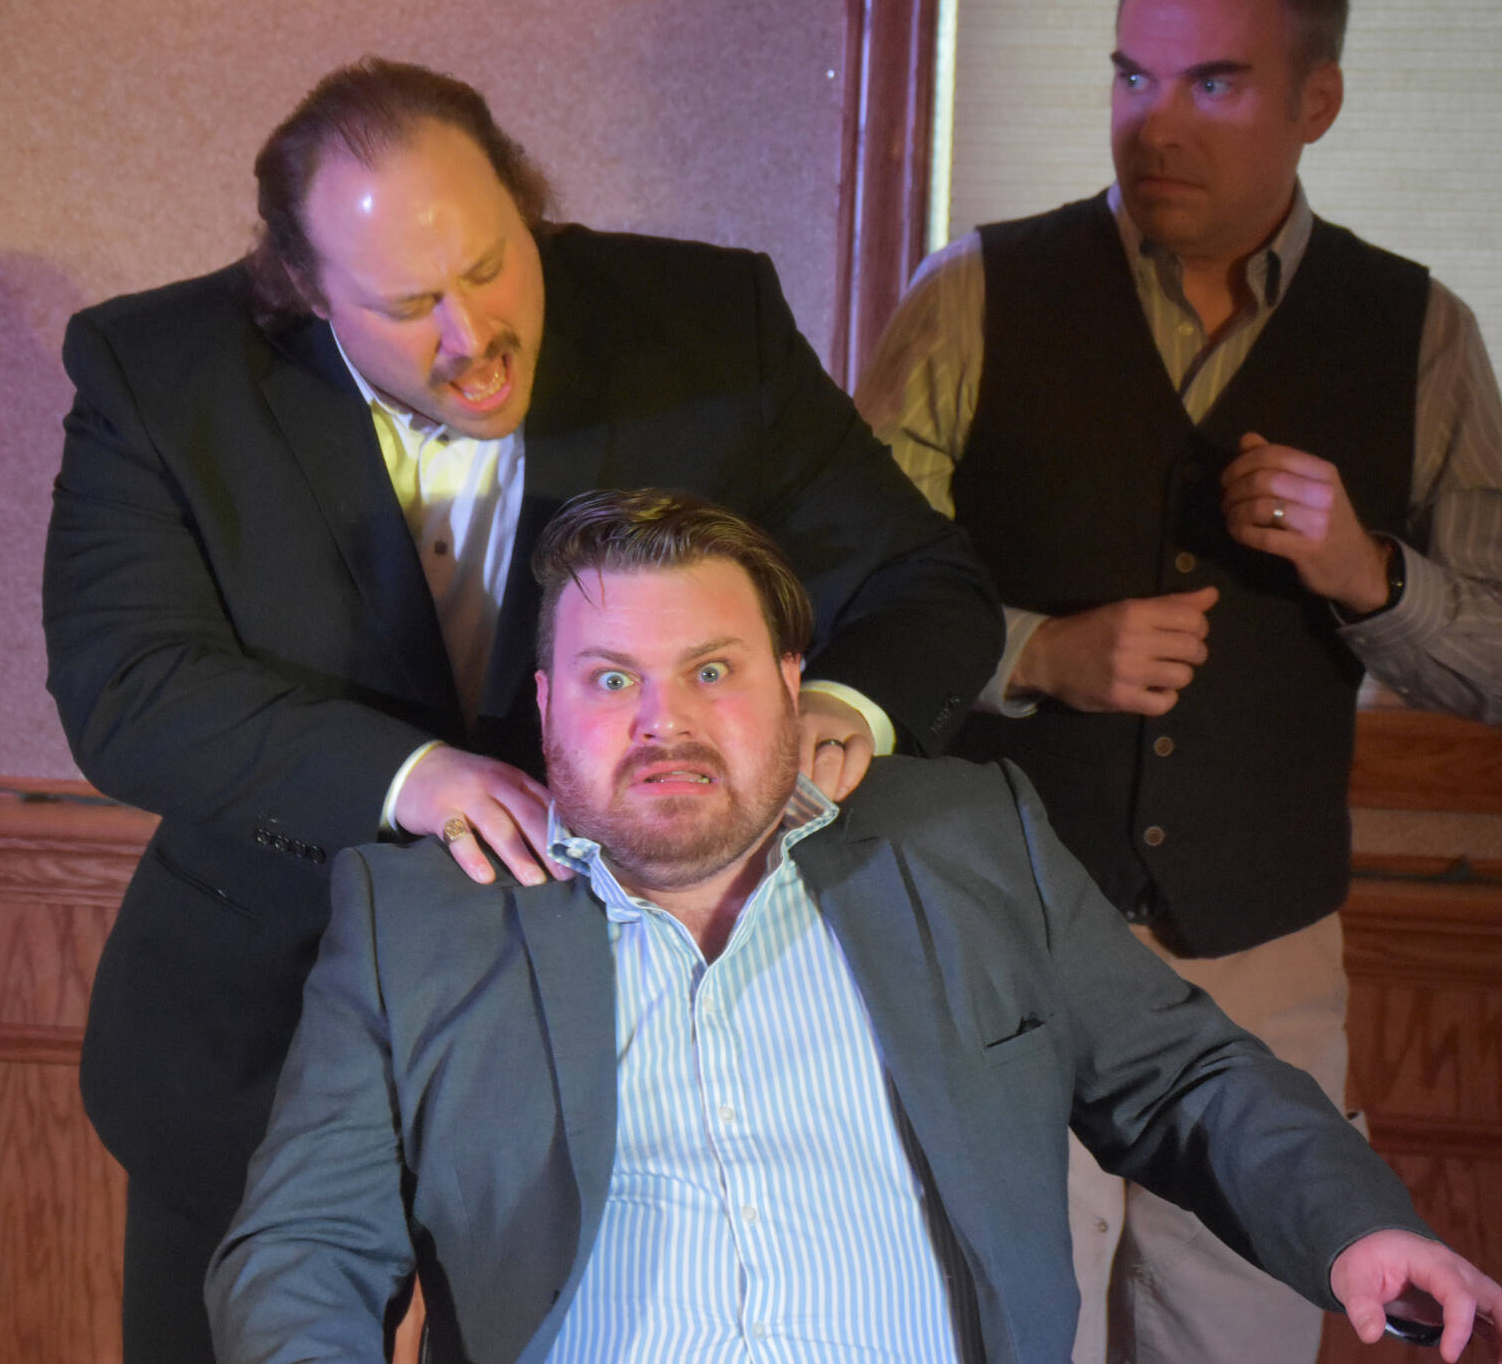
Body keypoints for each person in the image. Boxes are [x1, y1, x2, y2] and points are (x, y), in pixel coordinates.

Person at [42, 59, 1002, 1361]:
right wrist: (413, 776)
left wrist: (848, 702)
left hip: (621, 1065)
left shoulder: (704, 323)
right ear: (304, 293)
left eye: (494, 266)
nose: (471, 335)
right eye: (408, 304)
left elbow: (925, 589)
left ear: (523, 204)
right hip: (268, 1044)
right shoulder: (161, 371)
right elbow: (128, 689)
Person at [206, 488, 1502, 1364]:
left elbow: (1189, 1076)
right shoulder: (422, 918)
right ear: (548, 708)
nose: (664, 719)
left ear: (788, 684)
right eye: (613, 679)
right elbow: (306, 1242)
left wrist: (1355, 1222)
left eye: (710, 669)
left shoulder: (963, 843)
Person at [854, 0, 1502, 1358]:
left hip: (1265, 958)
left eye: (1213, 84)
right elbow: (845, 586)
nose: (1156, 122)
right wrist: (1034, 651)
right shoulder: (973, 290)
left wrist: (1369, 576)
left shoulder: (1419, 333)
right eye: (1132, 76)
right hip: (1002, 943)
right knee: (1004, 1326)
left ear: (1315, 102)